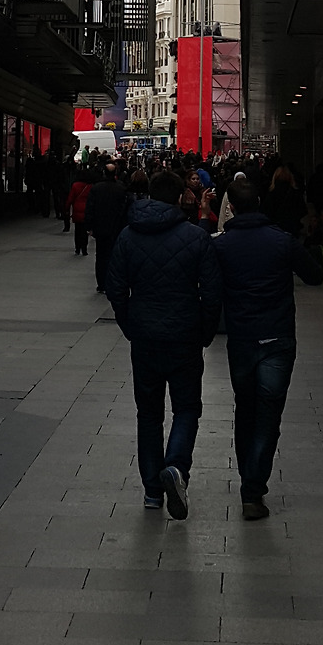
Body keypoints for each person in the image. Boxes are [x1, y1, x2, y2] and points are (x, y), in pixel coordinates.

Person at [105, 170, 222, 519]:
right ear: (179, 197)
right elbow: (212, 291)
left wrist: (129, 323)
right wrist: (205, 331)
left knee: (148, 413)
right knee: (186, 408)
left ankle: (153, 491)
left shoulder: (128, 236)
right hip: (185, 335)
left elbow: (115, 286)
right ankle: (176, 466)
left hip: (145, 336)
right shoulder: (195, 237)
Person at [212, 175, 323, 519]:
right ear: (259, 203)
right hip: (277, 337)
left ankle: (249, 480)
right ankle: (253, 488)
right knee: (268, 413)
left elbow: (209, 291)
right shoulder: (281, 241)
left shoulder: (221, 247)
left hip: (242, 338)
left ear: (231, 208)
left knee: (245, 408)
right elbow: (315, 276)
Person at [86, 164, 130, 292]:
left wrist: (89, 225)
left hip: (100, 226)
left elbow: (90, 207)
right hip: (116, 226)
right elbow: (124, 208)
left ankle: (101, 283)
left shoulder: (96, 188)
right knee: (115, 256)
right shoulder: (121, 188)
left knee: (101, 256)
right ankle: (113, 281)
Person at [50, 141, 77, 231]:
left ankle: (66, 223)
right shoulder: (68, 169)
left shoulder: (65, 168)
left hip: (66, 189)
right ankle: (66, 221)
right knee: (66, 206)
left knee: (66, 206)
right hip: (67, 189)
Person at [70, 163, 93, 257]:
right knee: (85, 231)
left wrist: (66, 209)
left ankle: (77, 248)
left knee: (77, 231)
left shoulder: (75, 185)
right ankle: (84, 249)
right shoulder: (90, 186)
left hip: (77, 210)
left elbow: (70, 198)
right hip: (86, 210)